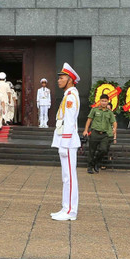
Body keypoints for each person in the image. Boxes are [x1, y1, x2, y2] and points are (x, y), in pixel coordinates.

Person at [51, 63, 82, 221]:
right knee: (66, 177)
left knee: (69, 177)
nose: (59, 80)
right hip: (65, 142)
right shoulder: (68, 95)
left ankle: (70, 211)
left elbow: (69, 122)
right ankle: (66, 207)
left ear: (70, 79)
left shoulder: (71, 96)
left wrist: (64, 143)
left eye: (62, 77)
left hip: (68, 143)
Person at [84, 93, 117, 174]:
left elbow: (114, 122)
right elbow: (89, 120)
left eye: (105, 101)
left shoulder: (109, 112)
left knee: (104, 149)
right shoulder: (94, 110)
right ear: (99, 101)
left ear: (107, 102)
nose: (103, 103)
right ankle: (90, 167)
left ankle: (96, 162)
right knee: (92, 151)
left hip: (104, 135)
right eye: (102, 101)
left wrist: (114, 129)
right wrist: (86, 130)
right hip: (95, 133)